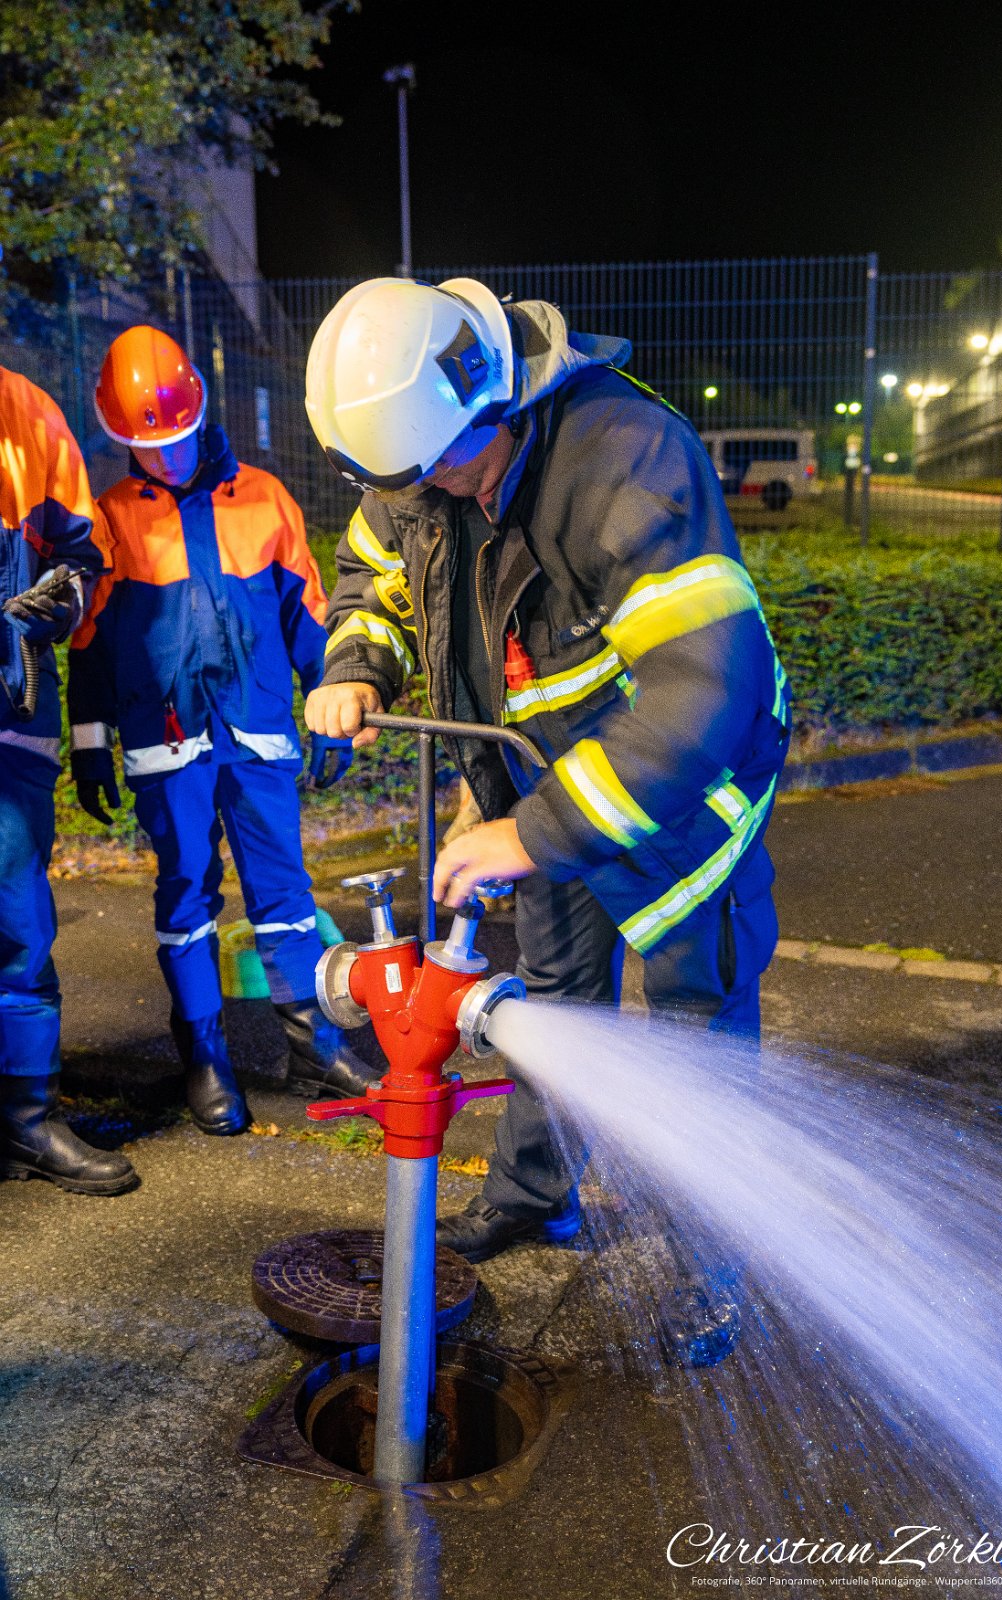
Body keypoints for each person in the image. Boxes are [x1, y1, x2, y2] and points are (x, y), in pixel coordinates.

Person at [303, 277, 791, 1261]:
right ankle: (533, 1196)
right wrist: (357, 664)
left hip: (675, 804)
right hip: (536, 795)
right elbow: (371, 575)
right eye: (400, 479)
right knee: (553, 999)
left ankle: (708, 1255)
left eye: (439, 467)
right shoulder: (422, 464)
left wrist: (530, 833)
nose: (423, 492)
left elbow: (701, 691)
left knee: (696, 1023)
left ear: (492, 399)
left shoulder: (624, 457)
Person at [67, 325, 370, 1137]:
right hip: (165, 744)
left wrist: (334, 704)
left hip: (257, 735)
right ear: (122, 439)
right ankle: (204, 1058)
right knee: (184, 897)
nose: (163, 457)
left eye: (172, 439)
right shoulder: (112, 518)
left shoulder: (264, 497)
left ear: (199, 415)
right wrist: (89, 744)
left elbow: (308, 615)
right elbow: (89, 645)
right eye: (146, 445)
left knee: (286, 896)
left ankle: (313, 1046)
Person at [0, 364, 138, 1195]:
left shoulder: (26, 411)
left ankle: (25, 1117)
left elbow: (82, 555)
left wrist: (64, 602)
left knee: (19, 925)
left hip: (11, 713)